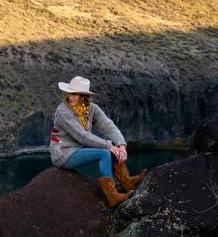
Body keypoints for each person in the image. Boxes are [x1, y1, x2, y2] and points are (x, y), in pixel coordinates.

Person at [49, 76, 147, 206]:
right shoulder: (63, 112)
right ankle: (113, 197)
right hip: (62, 151)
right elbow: (82, 136)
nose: (70, 97)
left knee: (110, 150)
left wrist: (121, 145)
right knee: (104, 152)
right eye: (69, 93)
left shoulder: (92, 109)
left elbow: (108, 126)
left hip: (77, 148)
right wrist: (110, 146)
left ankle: (127, 182)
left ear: (84, 96)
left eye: (75, 94)